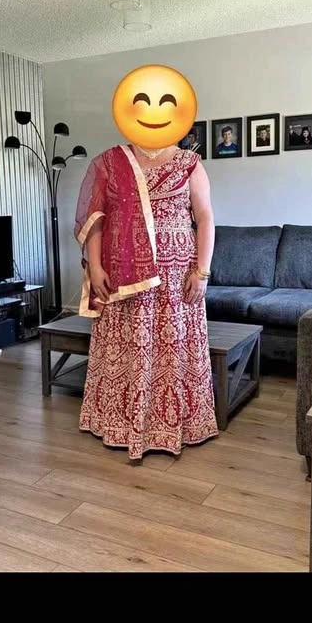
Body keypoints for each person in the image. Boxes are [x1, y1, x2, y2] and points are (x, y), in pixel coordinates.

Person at [74, 141, 219, 461]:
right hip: (122, 275)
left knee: (173, 348)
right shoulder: (112, 162)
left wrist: (202, 271)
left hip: (176, 277)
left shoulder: (189, 163)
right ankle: (119, 424)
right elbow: (97, 219)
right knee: (125, 345)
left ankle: (173, 425)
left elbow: (205, 217)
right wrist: (95, 266)